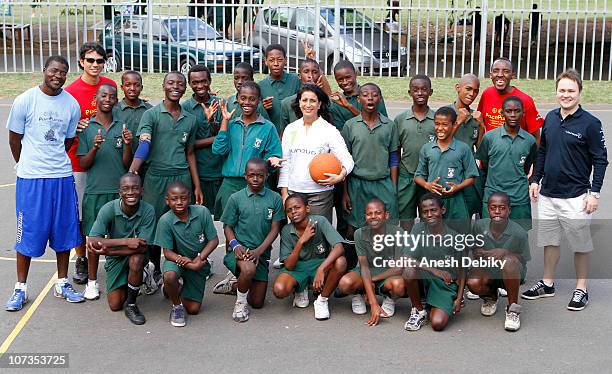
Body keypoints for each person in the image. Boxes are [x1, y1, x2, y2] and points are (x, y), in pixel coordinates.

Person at [523, 69, 608, 311]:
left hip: (577, 196)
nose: (566, 95)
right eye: (562, 90)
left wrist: (595, 193)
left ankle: (582, 288)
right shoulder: (550, 118)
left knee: (581, 245)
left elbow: (601, 160)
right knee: (550, 241)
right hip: (548, 194)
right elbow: (543, 151)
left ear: (580, 93)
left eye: (571, 91)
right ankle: (548, 283)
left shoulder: (591, 123)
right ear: (556, 91)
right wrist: (536, 179)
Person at [6, 55, 84, 311]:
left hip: (60, 177)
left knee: (64, 232)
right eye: (53, 70)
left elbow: (68, 142)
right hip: (32, 180)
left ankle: (62, 282)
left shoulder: (71, 104)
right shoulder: (25, 100)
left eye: (63, 72)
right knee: (28, 233)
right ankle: (20, 288)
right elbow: (14, 140)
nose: (57, 75)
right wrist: (26, 164)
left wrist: (52, 161)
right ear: (44, 71)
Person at [129, 71, 203, 287]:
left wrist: (196, 185)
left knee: (182, 225)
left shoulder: (190, 118)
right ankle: (155, 269)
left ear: (185, 88)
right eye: (171, 83)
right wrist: (134, 169)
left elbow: (190, 152)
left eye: (180, 84)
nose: (175, 87)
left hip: (181, 177)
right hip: (156, 177)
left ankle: (181, 269)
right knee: (152, 226)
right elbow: (144, 143)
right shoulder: (151, 114)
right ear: (163, 86)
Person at [211, 81, 283, 295]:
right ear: (238, 99)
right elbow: (218, 149)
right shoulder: (231, 123)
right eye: (243, 98)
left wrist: (273, 160)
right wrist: (224, 122)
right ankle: (235, 269)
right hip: (230, 183)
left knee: (254, 225)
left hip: (255, 184)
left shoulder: (267, 127)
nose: (247, 102)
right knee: (230, 225)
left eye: (252, 99)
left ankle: (254, 264)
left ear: (259, 101)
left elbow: (274, 153)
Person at [65, 42, 117, 285]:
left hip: (110, 162)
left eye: (99, 61)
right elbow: (63, 124)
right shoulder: (71, 91)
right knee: (82, 216)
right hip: (80, 161)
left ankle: (117, 259)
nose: (95, 65)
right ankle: (82, 258)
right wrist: (74, 127)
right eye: (90, 60)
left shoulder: (111, 86)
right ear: (81, 62)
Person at [77, 84, 134, 300]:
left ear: (116, 100)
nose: (108, 99)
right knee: (94, 238)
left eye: (112, 96)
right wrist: (94, 148)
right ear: (96, 99)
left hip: (118, 193)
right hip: (95, 192)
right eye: (103, 95)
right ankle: (92, 282)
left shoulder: (122, 125)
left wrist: (128, 144)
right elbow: (84, 163)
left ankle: (124, 278)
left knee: (120, 238)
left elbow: (127, 163)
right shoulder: (87, 127)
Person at [278, 84, 354, 223]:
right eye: (304, 100)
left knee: (318, 235)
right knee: (297, 236)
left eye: (312, 101)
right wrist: (284, 193)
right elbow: (285, 162)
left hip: (320, 194)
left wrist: (340, 176)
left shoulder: (329, 130)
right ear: (299, 102)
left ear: (319, 104)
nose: (308, 104)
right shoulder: (291, 129)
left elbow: (348, 160)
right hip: (294, 193)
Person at [220, 158, 284, 322]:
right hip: (239, 252)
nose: (256, 179)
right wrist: (235, 246)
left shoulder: (275, 198)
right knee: (248, 270)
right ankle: (240, 304)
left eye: (260, 175)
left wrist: (259, 251)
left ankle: (235, 286)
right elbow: (227, 227)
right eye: (252, 175)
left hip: (260, 253)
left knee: (257, 302)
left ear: (267, 176)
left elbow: (275, 229)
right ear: (245, 176)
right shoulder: (236, 198)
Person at [87, 173, 155, 325]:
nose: (130, 192)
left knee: (136, 259)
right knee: (115, 304)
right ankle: (137, 279)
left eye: (135, 188)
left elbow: (143, 247)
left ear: (142, 191)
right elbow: (92, 240)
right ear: (120, 193)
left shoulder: (148, 210)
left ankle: (131, 304)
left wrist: (108, 249)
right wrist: (126, 241)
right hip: (117, 256)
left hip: (137, 254)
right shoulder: (108, 209)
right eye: (126, 189)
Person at [156, 181, 219, 327]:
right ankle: (176, 306)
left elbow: (214, 240)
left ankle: (171, 289)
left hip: (198, 261)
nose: (179, 202)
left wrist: (199, 258)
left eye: (183, 198)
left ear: (189, 199)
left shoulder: (202, 212)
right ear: (167, 200)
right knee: (170, 276)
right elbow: (167, 253)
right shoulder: (165, 220)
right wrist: (187, 262)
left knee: (193, 309)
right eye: (174, 199)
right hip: (177, 260)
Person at [273, 194, 346, 320]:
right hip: (298, 267)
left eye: (297, 207)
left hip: (319, 264)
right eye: (289, 210)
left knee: (341, 262)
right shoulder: (286, 229)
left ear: (307, 208)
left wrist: (321, 269)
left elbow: (339, 247)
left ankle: (322, 300)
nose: (293, 212)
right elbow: (289, 266)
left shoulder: (320, 221)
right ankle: (300, 288)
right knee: (280, 289)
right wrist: (301, 241)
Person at [337, 199, 409, 326]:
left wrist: (373, 280)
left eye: (378, 213)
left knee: (399, 285)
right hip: (367, 272)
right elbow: (364, 267)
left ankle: (390, 298)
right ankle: (357, 294)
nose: (373, 216)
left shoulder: (398, 232)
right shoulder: (359, 233)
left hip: (389, 273)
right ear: (365, 216)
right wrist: (374, 303)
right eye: (369, 214)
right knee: (345, 283)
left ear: (386, 215)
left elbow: (399, 268)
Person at [341, 83, 399, 238]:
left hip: (383, 182)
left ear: (379, 98)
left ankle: (387, 260)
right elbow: (344, 160)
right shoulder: (350, 125)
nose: (370, 98)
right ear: (359, 99)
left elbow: (394, 157)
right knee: (355, 226)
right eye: (365, 95)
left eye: (374, 95)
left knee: (389, 226)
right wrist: (345, 192)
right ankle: (355, 261)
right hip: (357, 184)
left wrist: (393, 186)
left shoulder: (390, 125)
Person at [468, 192, 531, 331]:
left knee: (509, 261)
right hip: (489, 270)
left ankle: (513, 309)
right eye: (493, 207)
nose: (497, 211)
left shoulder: (519, 232)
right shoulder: (479, 226)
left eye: (502, 208)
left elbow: (523, 258)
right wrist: (478, 251)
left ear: (509, 210)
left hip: (511, 273)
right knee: (473, 282)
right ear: (488, 209)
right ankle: (491, 296)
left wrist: (504, 252)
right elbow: (473, 248)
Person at [403, 193, 465, 332]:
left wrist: (459, 297)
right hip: (425, 276)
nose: (429, 214)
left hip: (444, 284)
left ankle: (433, 303)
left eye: (433, 210)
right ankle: (419, 311)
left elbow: (462, 269)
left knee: (437, 323)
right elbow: (407, 257)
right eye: (425, 212)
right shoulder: (418, 229)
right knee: (408, 270)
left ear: (442, 210)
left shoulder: (454, 237)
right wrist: (434, 270)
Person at [476, 96, 537, 231]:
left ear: (523, 113)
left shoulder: (529, 140)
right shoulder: (490, 137)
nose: (513, 115)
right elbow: (485, 163)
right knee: (488, 239)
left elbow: (528, 166)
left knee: (518, 238)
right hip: (493, 196)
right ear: (502, 113)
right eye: (509, 111)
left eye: (517, 111)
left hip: (519, 198)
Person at [414, 107, 479, 233]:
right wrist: (428, 185)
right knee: (431, 236)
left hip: (456, 201)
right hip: (433, 202)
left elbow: (472, 177)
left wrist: (458, 186)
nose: (440, 128)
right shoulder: (427, 148)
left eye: (444, 125)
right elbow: (418, 176)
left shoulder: (463, 148)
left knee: (460, 236)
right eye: (437, 124)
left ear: (454, 124)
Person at [395, 74, 435, 231]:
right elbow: (396, 150)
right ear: (409, 92)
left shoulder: (436, 119)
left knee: (429, 217)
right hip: (407, 176)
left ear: (430, 92)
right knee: (406, 218)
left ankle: (426, 250)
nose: (420, 93)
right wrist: (397, 175)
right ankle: (407, 251)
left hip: (429, 177)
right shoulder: (401, 119)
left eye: (424, 89)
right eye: (416, 89)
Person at [183, 65, 224, 211]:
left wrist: (212, 121)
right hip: (197, 173)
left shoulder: (219, 103)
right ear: (189, 84)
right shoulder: (185, 108)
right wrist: (215, 138)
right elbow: (188, 145)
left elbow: (223, 139)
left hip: (219, 171)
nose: (200, 86)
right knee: (199, 215)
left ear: (210, 81)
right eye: (195, 82)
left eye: (203, 81)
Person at [477, 57, 543, 143]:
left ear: (513, 75)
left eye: (506, 71)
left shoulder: (525, 100)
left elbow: (536, 137)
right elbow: (480, 122)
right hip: (492, 153)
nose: (500, 74)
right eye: (496, 71)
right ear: (491, 75)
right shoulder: (487, 94)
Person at [447, 73, 485, 218]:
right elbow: (441, 142)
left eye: (476, 91)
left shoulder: (475, 117)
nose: (472, 94)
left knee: (469, 212)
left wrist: (481, 126)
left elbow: (480, 150)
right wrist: (458, 122)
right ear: (458, 87)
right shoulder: (446, 112)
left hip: (468, 173)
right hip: (450, 171)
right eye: (468, 89)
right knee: (450, 216)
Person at [258, 44, 302, 133]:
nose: (276, 64)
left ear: (285, 60)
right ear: (265, 61)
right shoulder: (260, 86)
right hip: (272, 135)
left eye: (280, 60)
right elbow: (256, 112)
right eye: (271, 60)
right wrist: (263, 107)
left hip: (295, 133)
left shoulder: (296, 80)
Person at [279, 58, 330, 133]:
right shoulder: (287, 103)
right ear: (299, 76)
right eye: (306, 72)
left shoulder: (324, 101)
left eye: (315, 72)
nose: (310, 76)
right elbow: (283, 134)